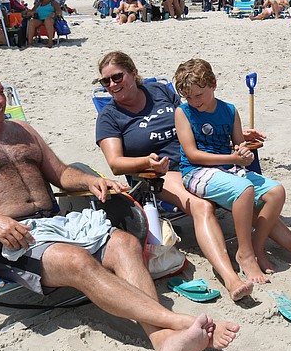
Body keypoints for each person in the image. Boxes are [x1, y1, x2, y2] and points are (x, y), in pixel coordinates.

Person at [0, 69, 239, 351]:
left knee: (126, 244)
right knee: (77, 262)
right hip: (8, 239)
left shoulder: (22, 130)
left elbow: (61, 173)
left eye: (2, 93)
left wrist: (89, 181)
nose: (1, 101)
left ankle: (162, 341)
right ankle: (178, 322)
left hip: (55, 223)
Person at [95, 52, 254, 301]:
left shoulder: (158, 91)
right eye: (106, 82)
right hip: (159, 174)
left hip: (201, 158)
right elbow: (115, 163)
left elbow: (196, 112)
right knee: (201, 207)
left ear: (133, 73)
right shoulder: (110, 116)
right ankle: (231, 278)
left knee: (254, 183)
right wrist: (146, 162)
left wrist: (235, 134)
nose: (112, 85)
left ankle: (278, 251)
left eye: (117, 77)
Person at [173, 59, 291, 284]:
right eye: (188, 97)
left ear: (213, 84)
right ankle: (245, 254)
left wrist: (243, 152)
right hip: (196, 172)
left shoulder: (230, 111)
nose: (194, 102)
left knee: (276, 191)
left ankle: (257, 247)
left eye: (199, 95)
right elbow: (192, 155)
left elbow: (237, 144)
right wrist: (233, 158)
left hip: (227, 169)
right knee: (244, 189)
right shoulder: (183, 112)